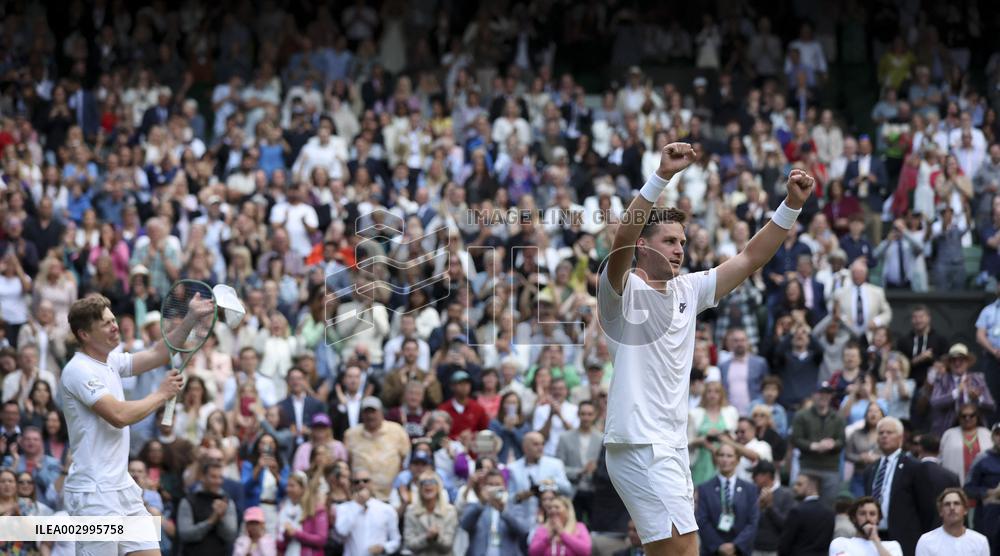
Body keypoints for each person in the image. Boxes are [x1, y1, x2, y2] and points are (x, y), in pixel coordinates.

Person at [597, 141, 814, 556]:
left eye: (682, 241)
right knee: (682, 551)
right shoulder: (620, 290)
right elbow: (623, 235)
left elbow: (751, 258)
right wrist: (662, 176)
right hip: (639, 442)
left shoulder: (689, 289)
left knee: (677, 552)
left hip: (672, 443)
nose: (680, 249)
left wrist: (791, 204)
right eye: (669, 241)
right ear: (644, 246)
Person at [60, 294, 207, 555]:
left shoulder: (110, 361)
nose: (114, 326)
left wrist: (191, 318)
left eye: (113, 319)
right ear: (84, 334)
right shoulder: (78, 370)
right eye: (105, 324)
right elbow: (118, 415)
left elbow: (156, 353)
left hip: (123, 487)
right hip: (93, 495)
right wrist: (160, 394)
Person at [862, 417, 920, 556]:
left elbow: (924, 506)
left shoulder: (914, 466)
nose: (884, 436)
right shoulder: (871, 469)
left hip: (903, 537)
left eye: (889, 432)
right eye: (881, 433)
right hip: (874, 535)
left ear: (900, 437)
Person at [693, 443, 760, 556]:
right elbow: (702, 520)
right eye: (721, 455)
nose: (725, 459)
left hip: (740, 551)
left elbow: (753, 522)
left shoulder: (750, 489)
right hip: (713, 551)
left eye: (729, 456)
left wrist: (735, 546)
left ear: (737, 460)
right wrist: (719, 546)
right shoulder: (704, 489)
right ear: (716, 459)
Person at [789, 382, 845, 506]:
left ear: (831, 396)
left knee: (829, 506)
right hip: (808, 466)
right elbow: (796, 439)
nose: (823, 397)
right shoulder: (801, 416)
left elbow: (842, 441)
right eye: (820, 393)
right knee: (800, 502)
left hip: (830, 467)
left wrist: (832, 444)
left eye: (827, 394)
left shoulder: (838, 418)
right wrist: (813, 446)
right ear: (813, 395)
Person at [460, 468, 529, 556]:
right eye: (490, 485)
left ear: (504, 486)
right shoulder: (477, 505)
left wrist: (504, 511)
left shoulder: (513, 505)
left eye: (497, 485)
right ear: (483, 486)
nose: (494, 488)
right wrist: (481, 503)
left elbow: (523, 530)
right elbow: (464, 525)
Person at [334, 468, 402, 556]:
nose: (361, 484)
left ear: (372, 483)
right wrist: (358, 505)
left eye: (365, 481)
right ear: (352, 485)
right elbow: (342, 531)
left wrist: (384, 547)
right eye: (357, 482)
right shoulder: (343, 508)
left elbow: (396, 540)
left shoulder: (386, 509)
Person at [177, 461, 239, 555]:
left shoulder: (227, 502)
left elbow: (230, 535)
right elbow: (185, 534)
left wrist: (221, 518)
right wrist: (211, 521)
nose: (218, 481)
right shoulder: (188, 501)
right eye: (213, 477)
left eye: (220, 477)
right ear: (203, 477)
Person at [915, 488, 990, 555]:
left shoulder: (980, 542)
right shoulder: (926, 542)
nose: (952, 508)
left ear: (965, 510)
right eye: (947, 504)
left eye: (956, 503)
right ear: (940, 511)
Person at [402, 471, 458, 555]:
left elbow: (449, 544)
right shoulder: (411, 511)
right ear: (419, 488)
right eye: (423, 483)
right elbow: (409, 544)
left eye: (432, 482)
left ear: (438, 487)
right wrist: (426, 538)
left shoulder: (450, 511)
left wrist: (437, 537)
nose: (428, 485)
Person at [778, 473, 834, 556]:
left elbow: (785, 544)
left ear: (810, 487)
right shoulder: (829, 512)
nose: (795, 488)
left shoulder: (797, 511)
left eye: (799, 484)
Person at [913, 434, 960, 531]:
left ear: (920, 448)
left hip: (914, 529)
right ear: (939, 450)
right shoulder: (951, 477)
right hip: (943, 528)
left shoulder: (910, 473)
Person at [963, 422, 1000, 547]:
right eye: (998, 434)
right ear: (992, 437)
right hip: (988, 517)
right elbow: (968, 489)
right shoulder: (982, 458)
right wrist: (990, 492)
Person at [828, 497, 903, 556]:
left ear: (878, 519)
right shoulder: (840, 543)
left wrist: (876, 541)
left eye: (872, 514)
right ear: (854, 518)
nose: (868, 518)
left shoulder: (892, 546)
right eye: (862, 513)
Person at [750, 460, 795, 556]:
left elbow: (787, 526)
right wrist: (758, 506)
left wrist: (770, 507)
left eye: (755, 475)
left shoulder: (786, 495)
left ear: (766, 475)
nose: (752, 478)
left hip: (775, 549)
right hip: (753, 547)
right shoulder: (752, 493)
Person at [527, 495, 592, 556]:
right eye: (550, 508)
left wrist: (562, 534)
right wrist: (548, 537)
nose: (553, 510)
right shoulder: (542, 529)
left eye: (557, 507)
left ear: (567, 510)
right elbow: (533, 552)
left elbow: (585, 551)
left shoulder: (579, 527)